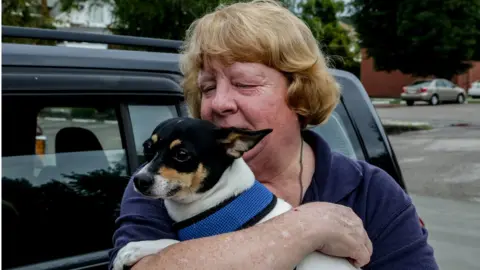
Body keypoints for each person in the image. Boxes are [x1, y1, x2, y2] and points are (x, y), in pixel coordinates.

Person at [109, 0, 439, 269]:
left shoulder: (370, 191)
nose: (219, 102)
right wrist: (302, 229)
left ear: (298, 93)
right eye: (207, 87)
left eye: (244, 84)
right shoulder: (163, 183)